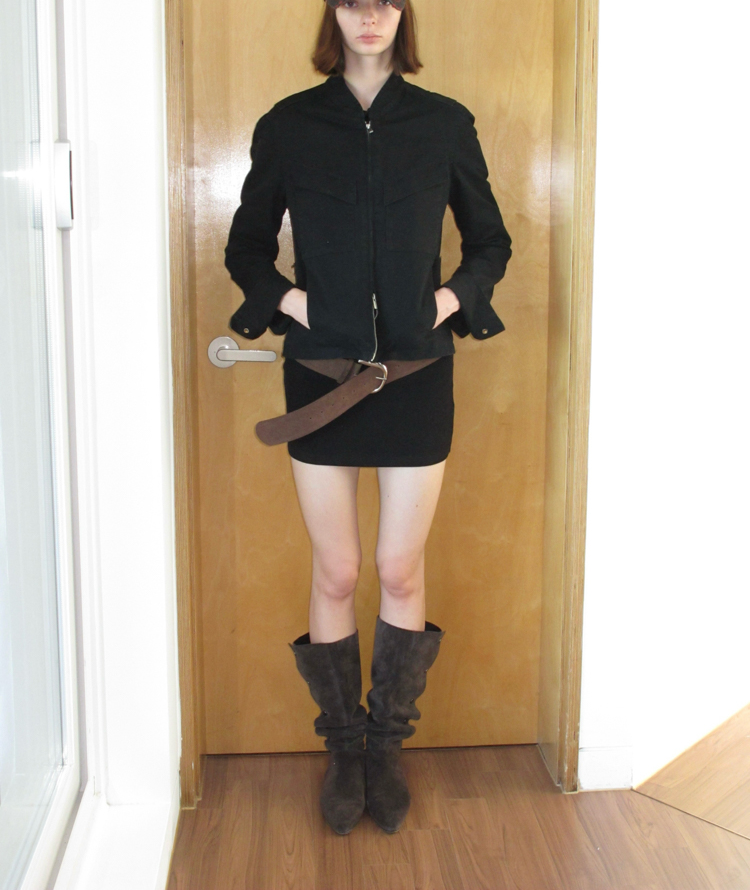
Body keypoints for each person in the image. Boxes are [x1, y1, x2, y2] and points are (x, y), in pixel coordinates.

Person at [224, 0, 512, 836]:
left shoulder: (443, 123)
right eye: (353, 0)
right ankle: (342, 748)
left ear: (404, 13)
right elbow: (247, 248)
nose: (370, 16)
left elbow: (489, 242)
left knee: (398, 569)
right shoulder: (289, 124)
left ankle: (387, 746)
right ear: (333, 13)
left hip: (417, 378)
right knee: (339, 571)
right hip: (321, 378)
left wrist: (448, 302)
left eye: (386, 0)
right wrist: (295, 304)